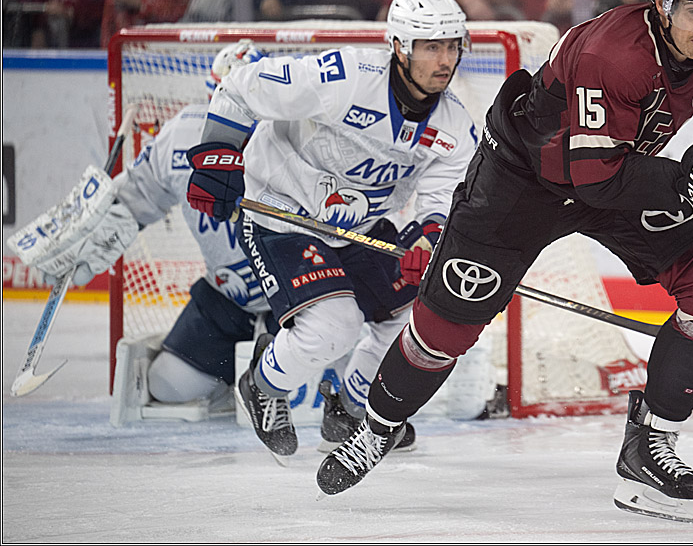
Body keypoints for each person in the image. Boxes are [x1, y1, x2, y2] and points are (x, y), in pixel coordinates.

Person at [316, 0, 693, 524]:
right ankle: (376, 428)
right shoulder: (613, 54)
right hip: (523, 180)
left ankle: (648, 448)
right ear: (660, 5)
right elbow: (594, 179)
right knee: (445, 324)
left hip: (617, 169)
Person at [11, 41, 424, 452]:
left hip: (308, 291)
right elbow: (137, 199)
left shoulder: (300, 143)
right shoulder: (184, 138)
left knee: (346, 335)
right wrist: (90, 239)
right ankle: (242, 377)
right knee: (168, 385)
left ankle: (323, 394)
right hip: (229, 297)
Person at [183, 0, 478, 462]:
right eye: (431, 47)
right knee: (332, 329)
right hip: (283, 213)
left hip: (357, 225)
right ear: (400, 47)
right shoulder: (344, 77)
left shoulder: (455, 128)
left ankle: (349, 408)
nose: (444, 60)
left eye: (451, 46)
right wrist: (218, 156)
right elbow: (241, 85)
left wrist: (429, 236)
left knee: (410, 317)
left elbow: (442, 197)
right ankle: (262, 383)